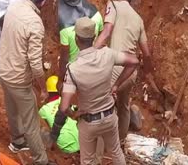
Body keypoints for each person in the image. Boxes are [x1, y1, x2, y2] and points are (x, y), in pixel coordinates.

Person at [50, 17, 140, 165]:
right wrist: (116, 85)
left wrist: (73, 114)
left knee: (87, 160)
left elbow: (64, 106)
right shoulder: (107, 54)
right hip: (110, 117)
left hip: (89, 121)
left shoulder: (73, 69)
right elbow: (134, 61)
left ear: (77, 40)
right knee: (116, 152)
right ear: (93, 38)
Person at [0, 0, 55, 165]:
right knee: (31, 122)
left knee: (12, 107)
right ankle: (41, 160)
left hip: (3, 70)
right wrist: (43, 89)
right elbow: (36, 65)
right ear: (44, 2)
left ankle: (17, 141)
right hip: (18, 78)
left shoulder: (13, 6)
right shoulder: (35, 23)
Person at [94, 0, 153, 141]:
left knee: (101, 105)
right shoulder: (139, 19)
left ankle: (101, 145)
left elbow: (106, 32)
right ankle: (120, 142)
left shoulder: (113, 5)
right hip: (130, 72)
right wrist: (147, 72)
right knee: (124, 106)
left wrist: (91, 53)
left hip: (115, 69)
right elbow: (146, 54)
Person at [56, 0, 104, 90]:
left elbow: (64, 57)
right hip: (95, 64)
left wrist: (60, 80)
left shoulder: (65, 26)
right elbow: (102, 36)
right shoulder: (95, 13)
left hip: (76, 71)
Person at [39, 75, 79, 153]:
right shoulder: (66, 102)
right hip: (82, 142)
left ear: (48, 92)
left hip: (66, 148)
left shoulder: (43, 110)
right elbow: (76, 110)